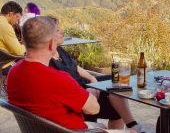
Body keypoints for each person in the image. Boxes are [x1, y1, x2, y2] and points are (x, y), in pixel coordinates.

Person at [6, 16, 135, 133]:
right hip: (73, 131)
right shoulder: (58, 79)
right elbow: (94, 109)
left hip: (47, 128)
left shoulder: (13, 73)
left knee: (101, 127)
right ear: (52, 44)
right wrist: (92, 91)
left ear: (23, 41)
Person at [47, 16, 146, 133]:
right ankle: (131, 125)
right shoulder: (48, 61)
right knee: (116, 108)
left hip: (85, 86)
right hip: (80, 94)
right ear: (49, 36)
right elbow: (64, 90)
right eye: (58, 30)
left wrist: (92, 79)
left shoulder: (59, 50)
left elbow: (76, 67)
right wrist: (88, 91)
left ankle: (130, 124)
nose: (62, 31)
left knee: (114, 80)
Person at [0, 1, 25, 76]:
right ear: (10, 14)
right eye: (17, 18)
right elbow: (19, 51)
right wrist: (28, 45)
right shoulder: (5, 27)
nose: (17, 22)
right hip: (5, 64)